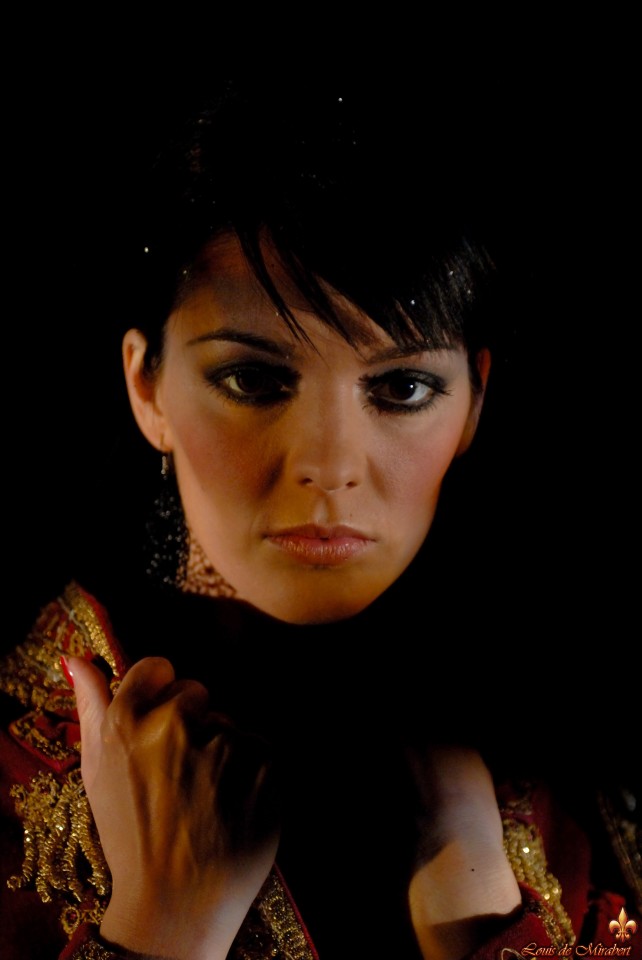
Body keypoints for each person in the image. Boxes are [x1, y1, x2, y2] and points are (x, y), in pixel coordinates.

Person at [1, 80, 640, 960]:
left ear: (475, 402)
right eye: (254, 380)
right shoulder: (18, 767)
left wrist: (480, 899)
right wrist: (163, 926)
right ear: (146, 387)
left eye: (402, 388)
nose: (330, 465)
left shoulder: (567, 784)